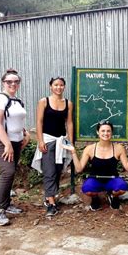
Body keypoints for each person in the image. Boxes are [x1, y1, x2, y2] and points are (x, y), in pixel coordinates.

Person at [62, 120, 128, 210]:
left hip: (112, 179)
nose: (105, 133)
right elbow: (79, 169)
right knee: (87, 189)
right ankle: (95, 199)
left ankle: (113, 196)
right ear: (97, 132)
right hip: (95, 179)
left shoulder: (119, 148)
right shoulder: (90, 149)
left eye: (108, 131)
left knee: (122, 187)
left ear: (112, 132)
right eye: (103, 131)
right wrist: (73, 152)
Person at [0, 68, 30, 226]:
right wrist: (7, 144)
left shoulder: (16, 101)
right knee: (8, 171)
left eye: (16, 81)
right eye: (9, 81)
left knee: (10, 173)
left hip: (16, 141)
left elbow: (17, 121)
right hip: (0, 141)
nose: (13, 84)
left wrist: (25, 134)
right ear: (3, 83)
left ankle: (6, 204)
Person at [32, 77, 73, 217]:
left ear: (64, 87)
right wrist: (40, 140)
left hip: (61, 141)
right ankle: (51, 203)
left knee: (57, 170)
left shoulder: (68, 103)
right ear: (51, 86)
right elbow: (39, 121)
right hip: (48, 140)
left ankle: (50, 196)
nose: (58, 87)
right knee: (49, 171)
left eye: (61, 85)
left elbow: (69, 123)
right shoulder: (44, 101)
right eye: (56, 85)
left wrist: (70, 141)